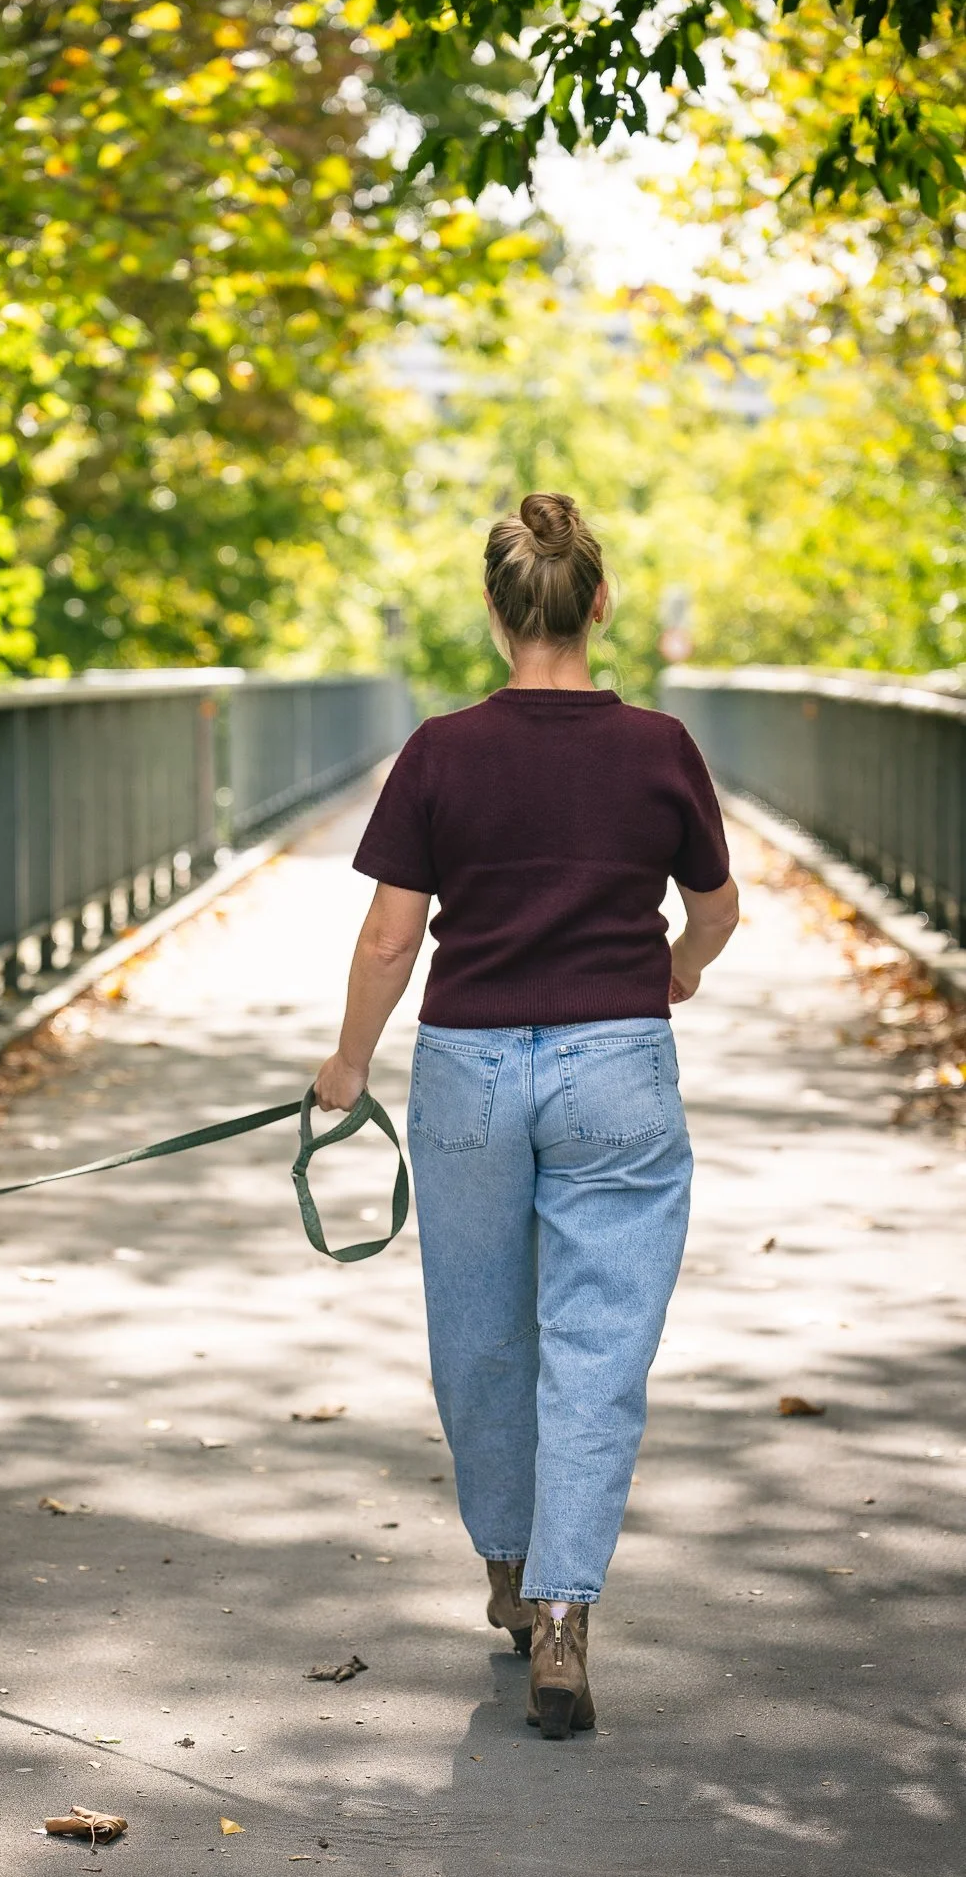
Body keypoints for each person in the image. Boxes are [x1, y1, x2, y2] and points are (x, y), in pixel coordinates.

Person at [313, 492, 739, 1740]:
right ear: (597, 602)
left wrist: (346, 1062)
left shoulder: (440, 749)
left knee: (481, 1334)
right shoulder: (660, 745)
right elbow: (712, 912)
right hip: (617, 1067)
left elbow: (392, 934)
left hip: (468, 1070)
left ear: (494, 614)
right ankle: (563, 1611)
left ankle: (506, 1568)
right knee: (597, 1345)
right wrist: (678, 970)